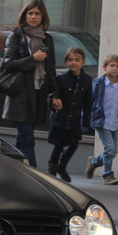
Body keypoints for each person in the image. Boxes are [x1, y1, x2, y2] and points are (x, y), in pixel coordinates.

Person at [1, 0, 58, 167]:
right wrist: (33, 58)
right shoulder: (16, 36)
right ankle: (36, 177)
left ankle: (9, 169)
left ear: (43, 17)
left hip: (38, 94)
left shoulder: (47, 39)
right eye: (30, 13)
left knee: (22, 139)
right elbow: (8, 64)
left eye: (37, 13)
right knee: (27, 141)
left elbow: (51, 70)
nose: (33, 17)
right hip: (20, 95)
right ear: (24, 15)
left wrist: (55, 95)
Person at [85, 54, 118, 185]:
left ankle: (94, 162)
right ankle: (108, 175)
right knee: (110, 149)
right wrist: (87, 118)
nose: (115, 68)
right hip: (101, 121)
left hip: (114, 122)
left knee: (114, 151)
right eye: (112, 65)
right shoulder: (98, 83)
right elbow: (89, 102)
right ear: (104, 67)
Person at [47, 47, 92, 182]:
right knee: (58, 146)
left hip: (74, 120)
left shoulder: (87, 80)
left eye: (77, 60)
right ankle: (52, 174)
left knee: (74, 144)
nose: (73, 62)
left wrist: (86, 123)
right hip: (60, 118)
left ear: (83, 62)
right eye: (70, 60)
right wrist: (53, 102)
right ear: (66, 62)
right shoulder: (61, 79)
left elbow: (88, 102)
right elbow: (52, 97)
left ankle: (62, 167)